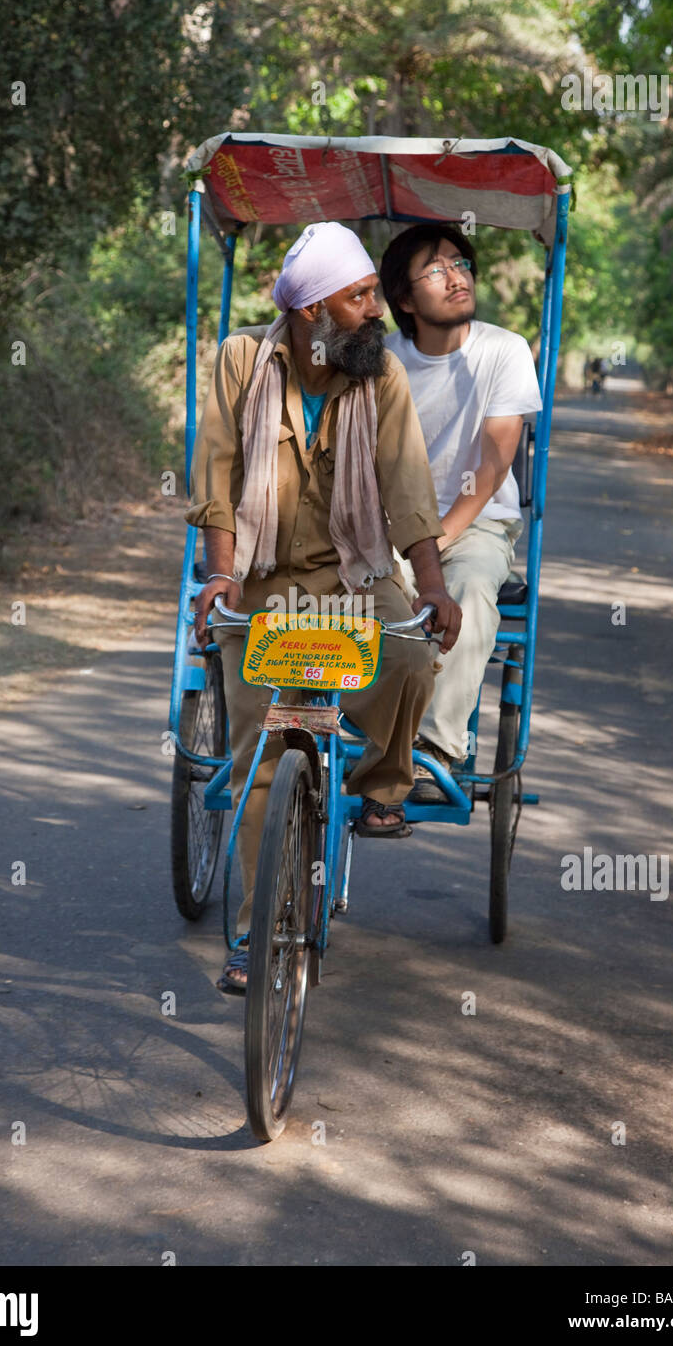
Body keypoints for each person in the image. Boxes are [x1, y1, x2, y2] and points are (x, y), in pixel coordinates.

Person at [186, 221, 462, 992]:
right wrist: (220, 576)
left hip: (354, 576)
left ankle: (379, 780)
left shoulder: (380, 375)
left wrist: (432, 587)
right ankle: (249, 938)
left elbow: (408, 492)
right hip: (264, 578)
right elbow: (215, 476)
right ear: (312, 312)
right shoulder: (244, 360)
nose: (377, 310)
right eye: (361, 296)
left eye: (376, 293)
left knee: (410, 653)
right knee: (260, 749)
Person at [379, 223, 542, 786]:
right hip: (391, 525)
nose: (456, 278)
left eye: (461, 264)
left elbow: (494, 460)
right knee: (361, 596)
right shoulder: (382, 358)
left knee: (469, 591)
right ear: (404, 299)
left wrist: (437, 541)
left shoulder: (503, 349)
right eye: (436, 270)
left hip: (477, 528)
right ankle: (337, 725)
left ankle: (434, 748)